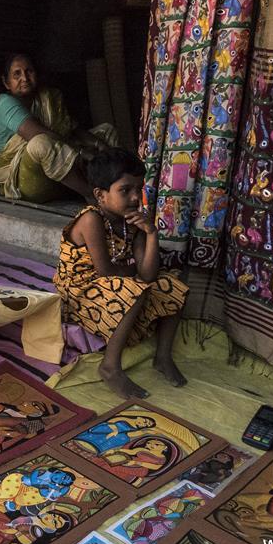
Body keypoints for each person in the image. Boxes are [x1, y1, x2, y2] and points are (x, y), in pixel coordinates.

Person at [53, 148, 188, 399]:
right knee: (135, 290)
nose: (136, 197)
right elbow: (105, 270)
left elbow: (148, 275)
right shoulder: (91, 219)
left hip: (112, 284)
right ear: (100, 195)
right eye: (125, 190)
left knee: (172, 284)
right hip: (79, 292)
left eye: (139, 189)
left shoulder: (131, 223)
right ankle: (110, 366)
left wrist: (151, 234)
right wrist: (135, 274)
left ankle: (162, 356)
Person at [0, 53, 121, 203]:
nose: (24, 78)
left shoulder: (48, 96)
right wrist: (81, 152)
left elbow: (71, 129)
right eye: (16, 74)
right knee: (40, 143)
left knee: (107, 131)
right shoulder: (5, 103)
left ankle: (114, 189)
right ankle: (92, 194)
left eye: (29, 71)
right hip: (25, 181)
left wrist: (98, 144)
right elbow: (37, 133)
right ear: (6, 82)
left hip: (60, 178)